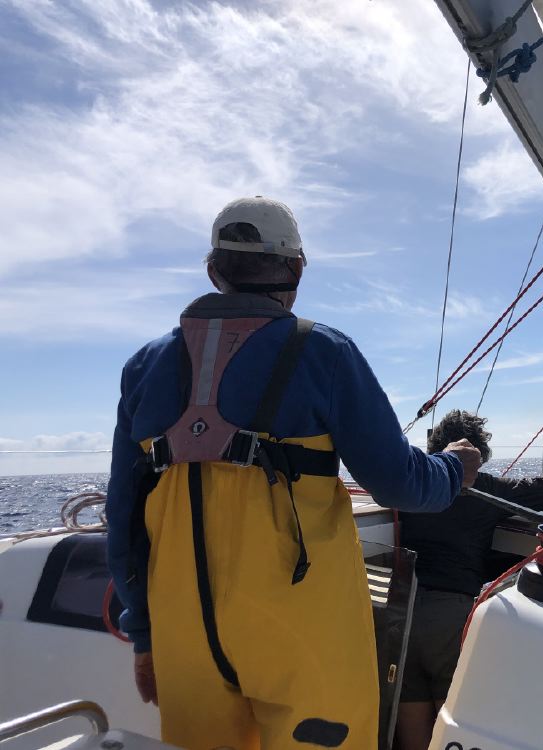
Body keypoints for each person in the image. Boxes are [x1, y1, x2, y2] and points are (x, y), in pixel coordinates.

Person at [105, 196, 481, 750]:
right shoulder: (325, 352)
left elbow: (122, 515)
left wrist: (144, 635)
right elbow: (401, 484)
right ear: (297, 270)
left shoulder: (142, 366)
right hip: (301, 632)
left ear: (213, 271)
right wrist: (456, 466)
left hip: (185, 635)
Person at [394, 410, 543, 750]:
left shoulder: (414, 484)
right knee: (451, 722)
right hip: (450, 617)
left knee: (411, 717)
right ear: (476, 456)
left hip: (402, 611)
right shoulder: (483, 488)